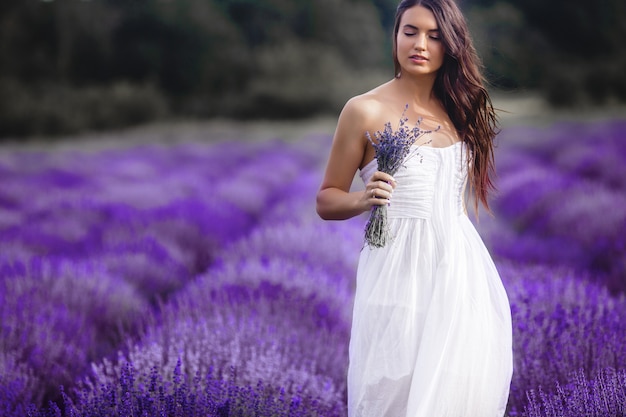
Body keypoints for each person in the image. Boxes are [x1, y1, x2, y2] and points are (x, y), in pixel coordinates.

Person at [316, 0, 513, 415]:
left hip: (461, 271)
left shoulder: (459, 109)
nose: (420, 44)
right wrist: (361, 199)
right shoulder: (363, 109)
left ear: (451, 45)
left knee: (459, 394)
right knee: (392, 390)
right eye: (410, 32)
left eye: (434, 35)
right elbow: (326, 197)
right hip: (398, 270)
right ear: (395, 37)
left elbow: (452, 202)